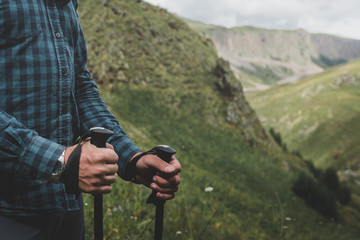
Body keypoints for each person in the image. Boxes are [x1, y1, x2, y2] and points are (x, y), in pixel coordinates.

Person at [0, 0, 182, 239]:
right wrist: (60, 162)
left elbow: (80, 90)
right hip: (9, 213)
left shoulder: (66, 4)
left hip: (67, 211)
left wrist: (132, 159)